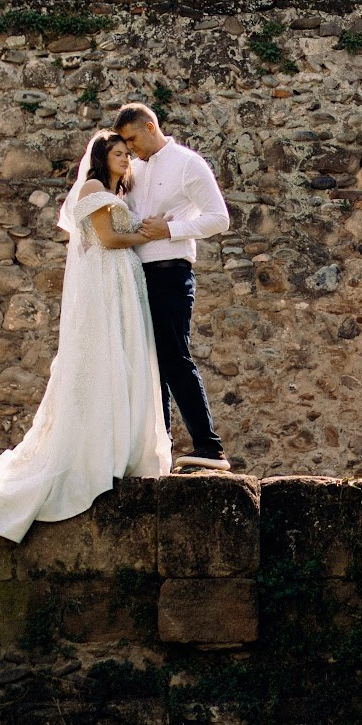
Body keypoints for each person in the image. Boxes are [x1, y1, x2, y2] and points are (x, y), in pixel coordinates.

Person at [0, 132, 169, 540]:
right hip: (108, 282)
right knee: (103, 356)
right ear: (101, 157)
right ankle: (92, 452)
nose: (126, 159)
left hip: (125, 284)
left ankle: (122, 446)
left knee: (124, 357)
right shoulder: (93, 187)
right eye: (118, 154)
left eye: (128, 154)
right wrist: (149, 235)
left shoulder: (118, 191)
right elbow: (107, 239)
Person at [113, 101, 232, 473]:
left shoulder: (188, 163)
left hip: (171, 271)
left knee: (174, 357)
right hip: (135, 274)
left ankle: (209, 447)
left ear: (150, 126)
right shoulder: (131, 171)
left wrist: (171, 229)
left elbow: (220, 219)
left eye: (132, 139)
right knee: (148, 362)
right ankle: (159, 446)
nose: (130, 149)